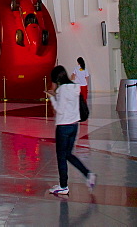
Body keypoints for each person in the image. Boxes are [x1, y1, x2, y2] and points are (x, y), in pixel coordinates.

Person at [46, 65, 95, 196]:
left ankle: (63, 186)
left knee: (61, 157)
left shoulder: (62, 90)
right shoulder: (74, 87)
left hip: (63, 127)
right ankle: (88, 174)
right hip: (74, 126)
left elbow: (60, 110)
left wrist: (51, 96)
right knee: (68, 154)